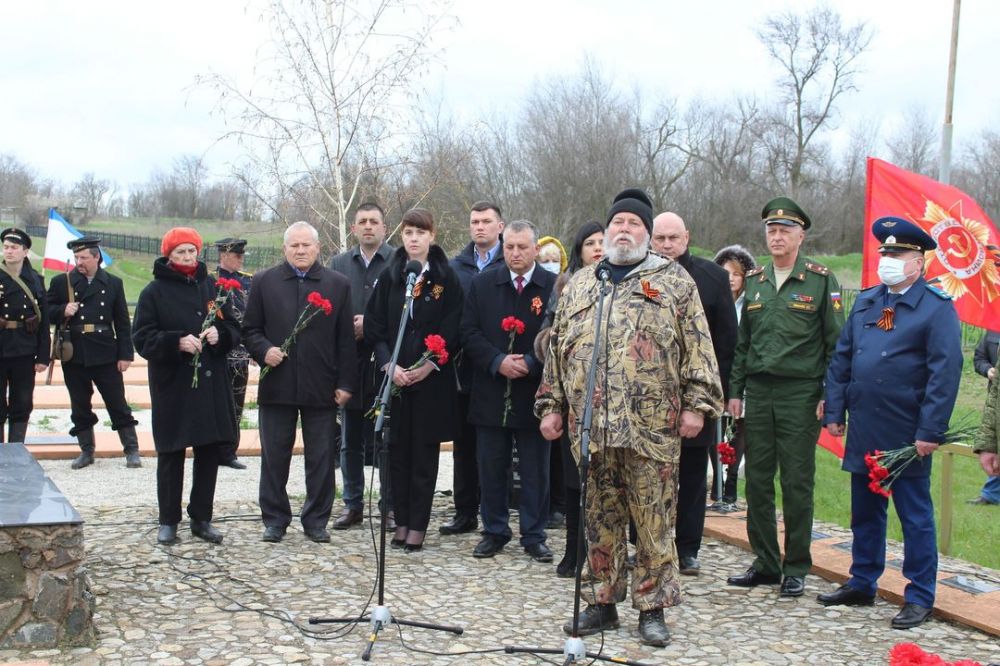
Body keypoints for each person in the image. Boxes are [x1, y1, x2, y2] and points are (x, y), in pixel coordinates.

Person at [536, 188, 723, 647]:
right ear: (606, 231)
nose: (624, 230)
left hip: (650, 429)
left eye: (634, 224)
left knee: (654, 520)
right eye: (617, 223)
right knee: (599, 516)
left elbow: (699, 348)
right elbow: (558, 351)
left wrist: (698, 406)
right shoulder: (582, 283)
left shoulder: (673, 282)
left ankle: (652, 608)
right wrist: (551, 404)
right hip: (592, 428)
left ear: (647, 232)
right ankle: (601, 602)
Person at [820, 217, 962, 630]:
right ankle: (863, 580)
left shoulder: (936, 310)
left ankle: (919, 594)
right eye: (885, 253)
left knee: (914, 516)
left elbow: (945, 375)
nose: (888, 260)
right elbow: (842, 359)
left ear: (918, 262)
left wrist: (929, 431)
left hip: (906, 432)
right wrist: (834, 411)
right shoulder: (867, 302)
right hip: (865, 425)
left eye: (898, 254)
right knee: (865, 511)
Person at [243, 221, 356, 543]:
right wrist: (264, 351)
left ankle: (316, 519)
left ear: (318, 248)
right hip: (277, 385)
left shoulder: (338, 284)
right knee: (274, 456)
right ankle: (275, 519)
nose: (301, 250)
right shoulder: (265, 282)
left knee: (321, 457)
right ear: (285, 249)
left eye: (306, 245)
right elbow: (249, 329)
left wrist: (347, 384)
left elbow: (346, 340)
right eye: (294, 245)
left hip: (322, 386)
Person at [132, 227, 239, 545]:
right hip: (174, 385)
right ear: (169, 255)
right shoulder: (153, 292)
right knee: (172, 453)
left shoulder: (213, 287)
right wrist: (176, 341)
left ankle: (201, 517)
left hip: (209, 385)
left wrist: (222, 335)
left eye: (192, 251)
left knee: (208, 452)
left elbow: (233, 325)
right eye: (180, 252)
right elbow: (142, 338)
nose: (188, 257)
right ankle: (168, 520)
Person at [365, 208, 463, 551]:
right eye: (408, 232)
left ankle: (418, 524)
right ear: (401, 237)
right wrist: (389, 364)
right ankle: (401, 519)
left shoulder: (445, 279)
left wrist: (427, 366)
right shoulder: (392, 276)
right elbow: (375, 326)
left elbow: (452, 329)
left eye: (421, 232)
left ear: (432, 236)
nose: (414, 239)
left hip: (429, 383)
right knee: (396, 454)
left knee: (422, 455)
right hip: (395, 380)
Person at [461, 220, 557, 562]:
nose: (515, 253)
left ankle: (534, 534)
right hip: (491, 389)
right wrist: (497, 360)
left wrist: (533, 361)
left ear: (535, 249)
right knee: (491, 465)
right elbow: (468, 332)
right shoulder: (483, 283)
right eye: (510, 247)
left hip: (535, 390)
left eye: (522, 247)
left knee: (534, 469)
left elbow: (558, 333)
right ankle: (495, 529)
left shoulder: (551, 285)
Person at [650, 212, 737, 577]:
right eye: (660, 239)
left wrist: (717, 398)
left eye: (674, 238)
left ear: (687, 236)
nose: (667, 245)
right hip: (649, 399)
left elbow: (726, 343)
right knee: (648, 476)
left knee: (690, 477)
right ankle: (647, 543)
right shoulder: (640, 276)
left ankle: (687, 547)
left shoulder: (712, 278)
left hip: (694, 396)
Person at [534, 220, 605, 577]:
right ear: (578, 250)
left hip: (611, 399)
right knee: (574, 477)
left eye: (602, 242)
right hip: (574, 395)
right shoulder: (565, 285)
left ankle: (602, 551)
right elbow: (548, 330)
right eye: (590, 243)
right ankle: (573, 549)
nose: (597, 248)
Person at [328, 202, 396, 530]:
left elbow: (403, 312)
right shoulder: (338, 263)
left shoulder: (399, 261)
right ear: (354, 228)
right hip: (350, 361)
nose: (368, 227)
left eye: (374, 221)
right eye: (362, 222)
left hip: (386, 362)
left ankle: (389, 506)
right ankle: (352, 504)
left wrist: (369, 323)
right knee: (350, 437)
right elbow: (329, 308)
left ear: (384, 227)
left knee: (387, 438)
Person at [47, 236, 139, 469]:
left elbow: (122, 323)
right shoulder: (62, 282)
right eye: (77, 257)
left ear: (97, 257)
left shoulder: (113, 283)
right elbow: (46, 312)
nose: (80, 262)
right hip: (74, 352)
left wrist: (125, 354)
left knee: (116, 401)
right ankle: (86, 451)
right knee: (79, 403)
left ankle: (131, 449)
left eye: (84, 257)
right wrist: (61, 310)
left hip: (105, 350)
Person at [442, 201, 506, 536]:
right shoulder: (456, 267)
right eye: (474, 222)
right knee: (464, 446)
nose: (479, 227)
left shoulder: (511, 261)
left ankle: (496, 513)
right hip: (464, 371)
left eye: (486, 221)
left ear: (500, 226)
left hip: (498, 370)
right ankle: (464, 510)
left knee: (494, 448)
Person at [708, 245, 757, 510]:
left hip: (743, 376)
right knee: (714, 430)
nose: (730, 278)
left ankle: (730, 487)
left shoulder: (750, 305)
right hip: (716, 373)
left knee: (739, 430)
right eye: (725, 272)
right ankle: (718, 482)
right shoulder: (712, 302)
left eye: (736, 274)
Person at [0, 228, 49, 444]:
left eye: (14, 247)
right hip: (1, 346)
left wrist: (42, 356)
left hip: (25, 347)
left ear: (25, 251)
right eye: (6, 247)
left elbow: (44, 320)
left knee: (22, 400)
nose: (8, 251)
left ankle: (16, 448)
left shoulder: (35, 280)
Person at [536, 234, 569, 530]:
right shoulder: (556, 292)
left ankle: (562, 503)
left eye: (554, 260)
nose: (549, 266)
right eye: (543, 260)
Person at [213, 238, 253, 470]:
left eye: (241, 255)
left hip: (240, 353)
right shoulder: (212, 281)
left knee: (236, 403)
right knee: (218, 403)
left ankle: (230, 451)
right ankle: (214, 449)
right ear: (224, 255)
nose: (241, 259)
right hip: (219, 351)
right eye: (237, 255)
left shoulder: (247, 282)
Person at [969, 329, 1000, 505]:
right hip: (995, 404)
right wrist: (988, 371)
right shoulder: (993, 331)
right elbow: (978, 359)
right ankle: (991, 494)